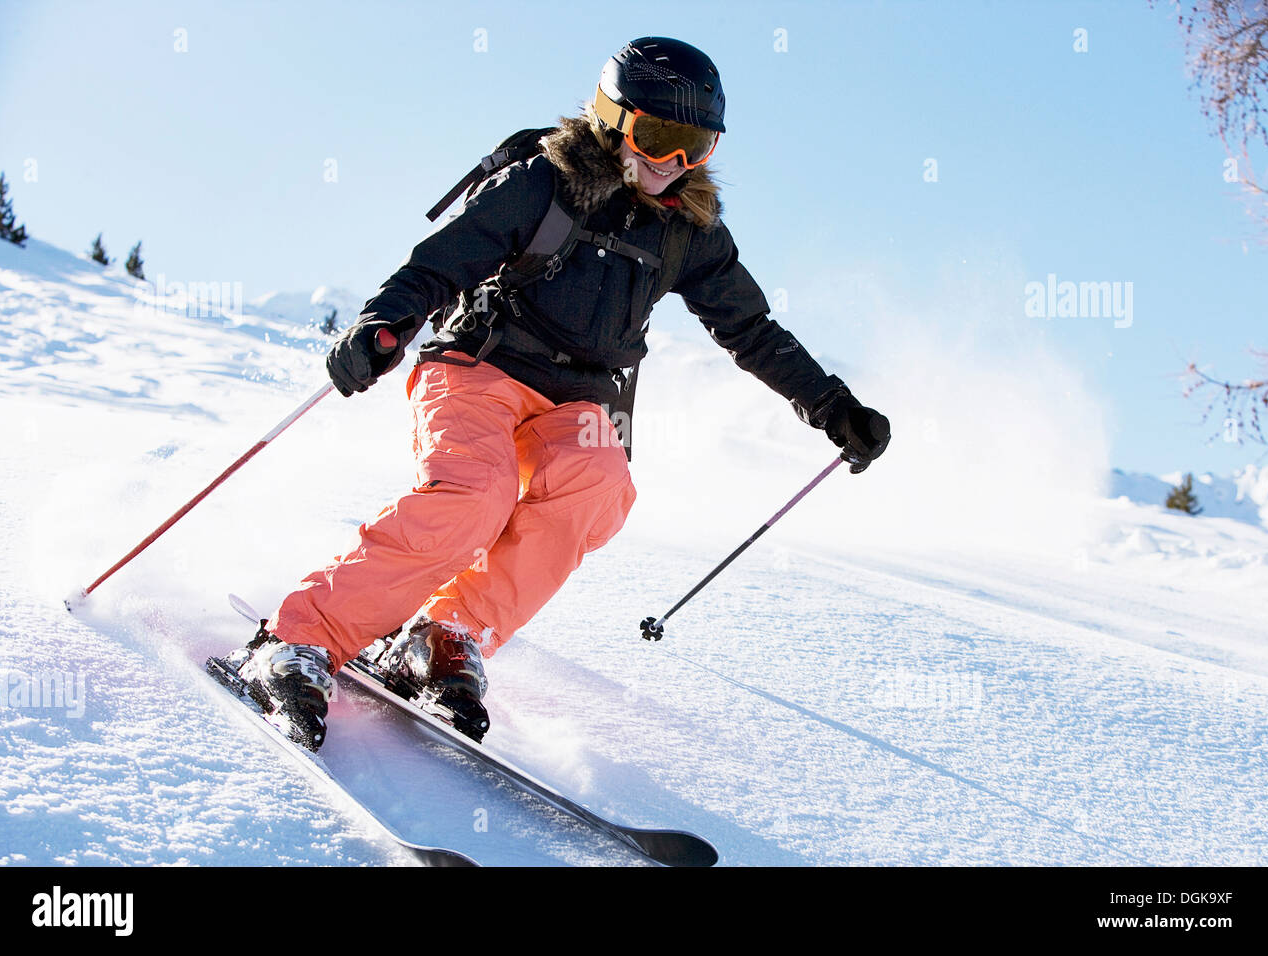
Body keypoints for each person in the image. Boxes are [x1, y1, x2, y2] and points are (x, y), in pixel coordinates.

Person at [231, 36, 891, 750]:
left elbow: (750, 328)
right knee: (476, 495)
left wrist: (831, 406)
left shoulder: (688, 231)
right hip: (481, 365)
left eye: (693, 147)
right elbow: (440, 261)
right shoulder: (545, 182)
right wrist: (382, 324)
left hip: (577, 400)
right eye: (659, 138)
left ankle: (444, 636)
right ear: (614, 119)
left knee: (600, 486)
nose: (672, 165)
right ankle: (298, 638)